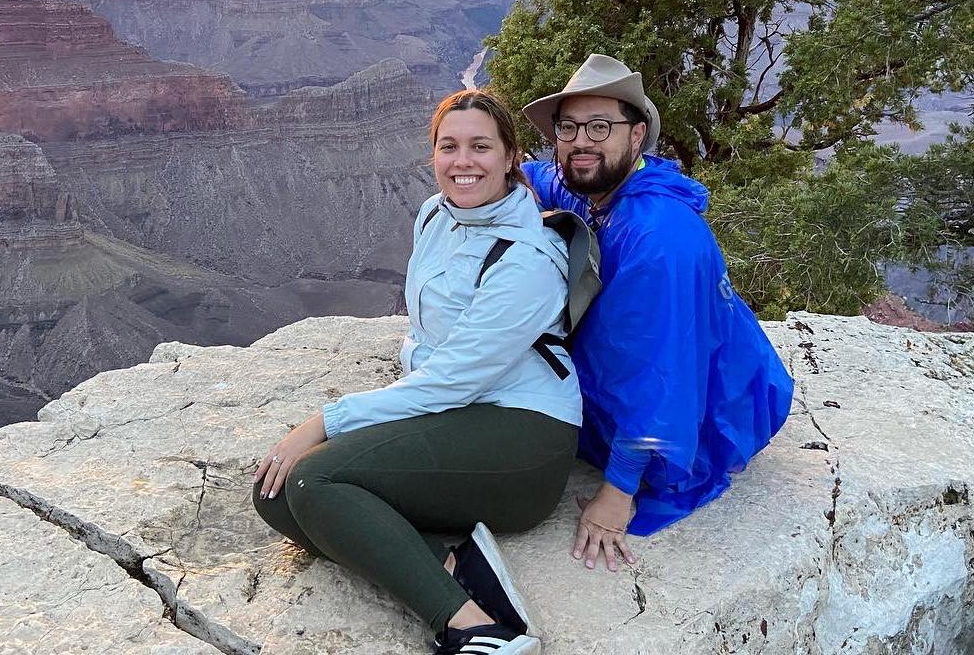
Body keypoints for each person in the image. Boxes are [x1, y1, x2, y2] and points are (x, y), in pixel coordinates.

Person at [253, 90, 584, 655]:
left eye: (481, 147)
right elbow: (431, 348)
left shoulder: (527, 258)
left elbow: (453, 381)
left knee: (314, 478)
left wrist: (327, 421)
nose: (463, 162)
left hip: (524, 440)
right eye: (448, 146)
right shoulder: (435, 215)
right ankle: (450, 560)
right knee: (274, 494)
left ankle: (474, 625)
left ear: (510, 158)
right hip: (459, 415)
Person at [520, 54, 794, 572]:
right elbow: (540, 177)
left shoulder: (658, 239)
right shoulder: (598, 186)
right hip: (641, 375)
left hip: (715, 408)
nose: (581, 140)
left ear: (637, 133)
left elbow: (660, 377)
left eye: (601, 126)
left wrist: (618, 492)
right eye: (569, 127)